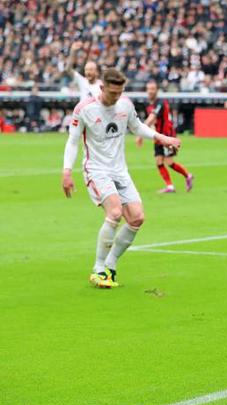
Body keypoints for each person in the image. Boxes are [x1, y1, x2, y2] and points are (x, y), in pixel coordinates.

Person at [61, 68, 180, 288]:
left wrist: (162, 138)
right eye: (112, 92)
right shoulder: (84, 109)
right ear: (102, 87)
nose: (116, 97)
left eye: (120, 92)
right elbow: (73, 141)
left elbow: (137, 127)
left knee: (137, 218)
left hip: (120, 171)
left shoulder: (125, 104)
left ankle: (111, 264)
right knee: (115, 212)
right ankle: (98, 269)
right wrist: (66, 171)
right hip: (96, 170)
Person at [136, 80, 193, 193]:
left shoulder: (160, 103)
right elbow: (153, 121)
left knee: (169, 162)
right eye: (149, 89)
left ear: (157, 90)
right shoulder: (149, 104)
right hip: (158, 137)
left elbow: (152, 118)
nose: (150, 91)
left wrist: (140, 133)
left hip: (167, 136)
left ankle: (187, 175)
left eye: (153, 89)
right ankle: (170, 186)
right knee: (159, 161)